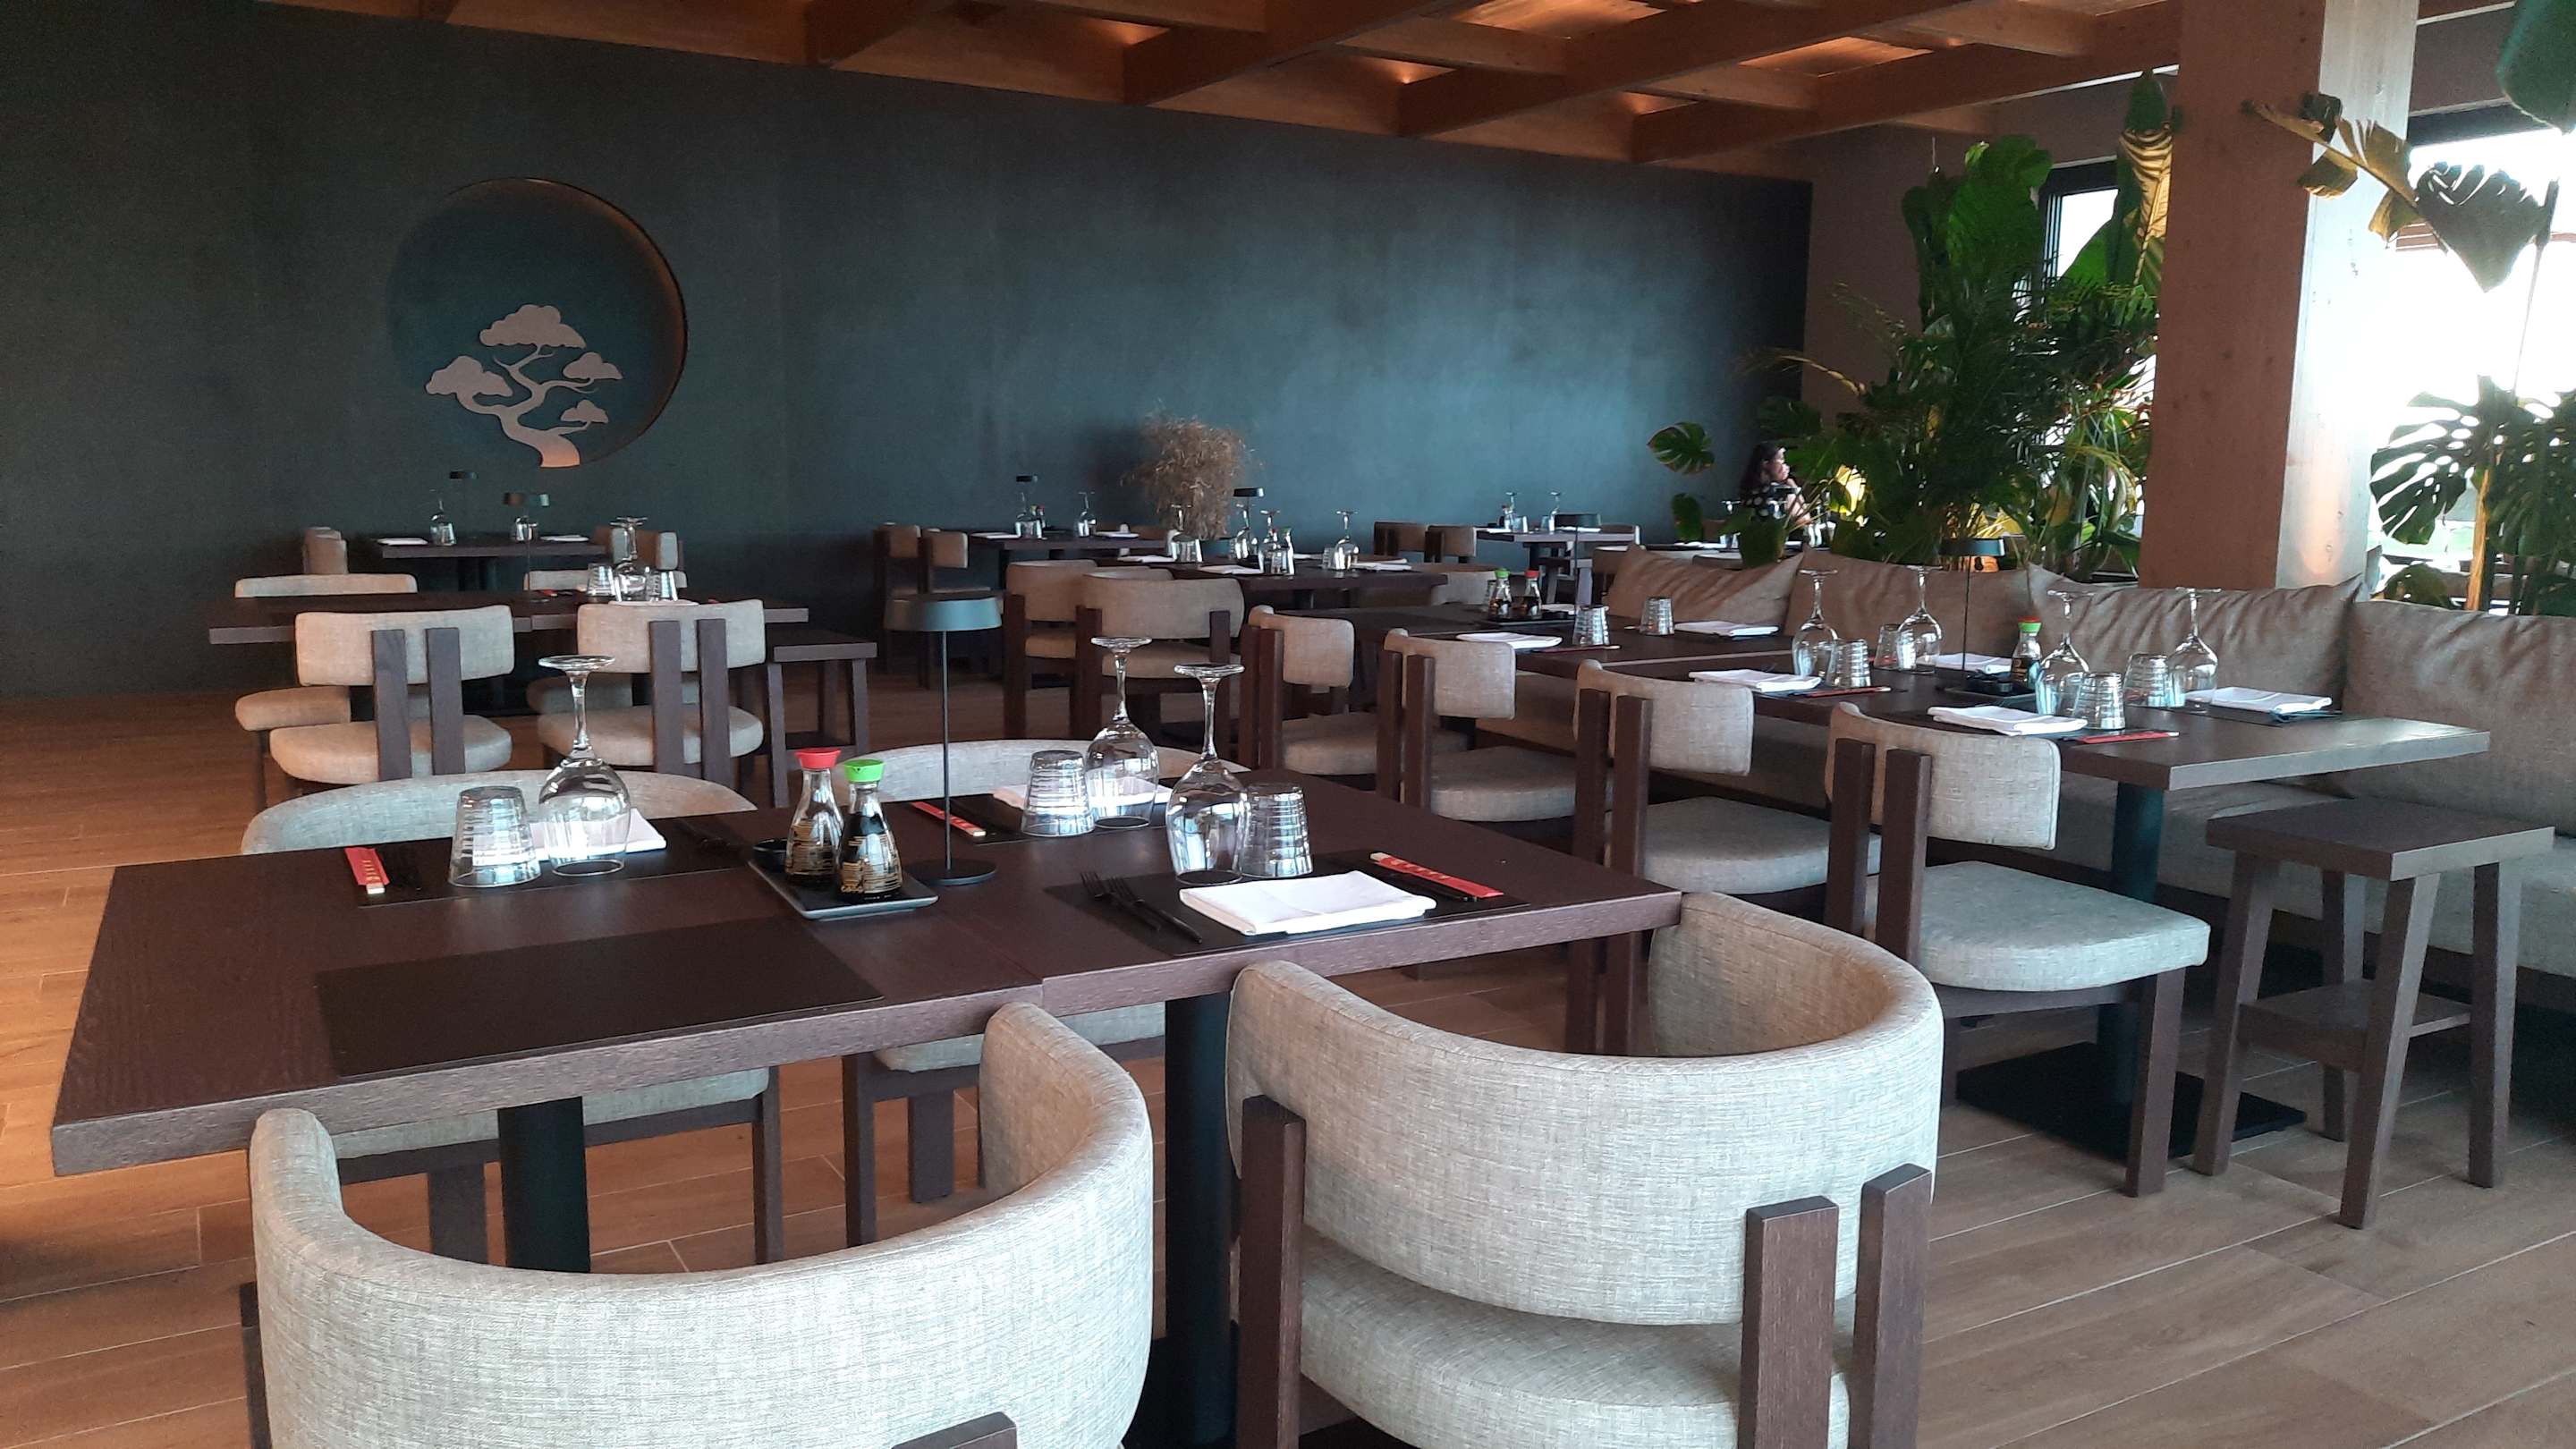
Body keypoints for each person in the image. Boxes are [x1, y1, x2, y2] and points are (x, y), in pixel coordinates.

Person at [1737, 443, 1811, 528]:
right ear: (1766, 463)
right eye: (1782, 461)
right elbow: (1806, 522)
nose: (1787, 466)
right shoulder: (1784, 493)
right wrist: (1794, 488)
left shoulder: (1747, 492)